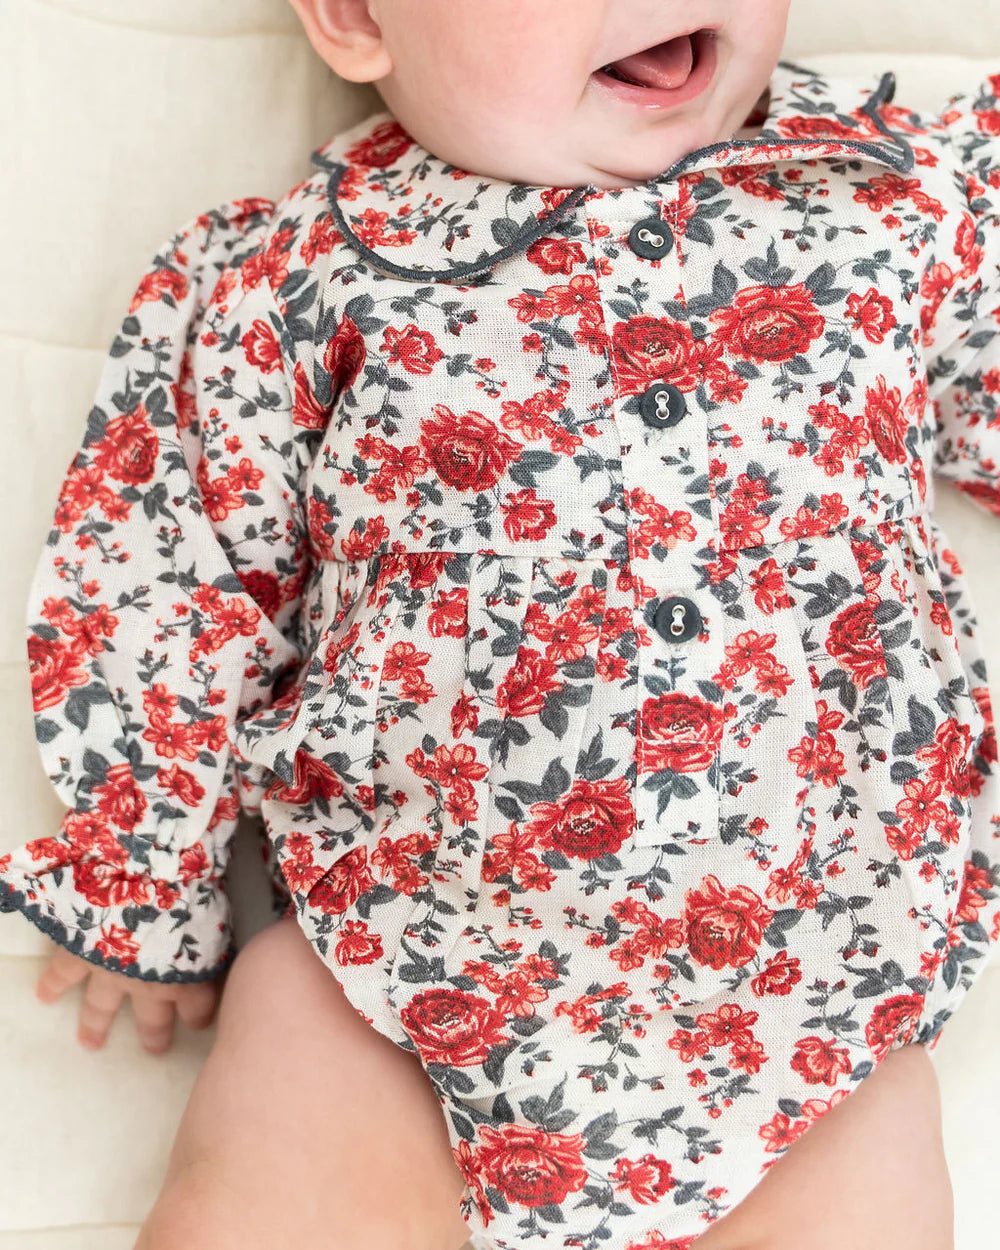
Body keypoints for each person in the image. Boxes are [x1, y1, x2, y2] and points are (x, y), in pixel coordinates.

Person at [3, 0, 998, 1245]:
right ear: (356, 19)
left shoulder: (885, 199)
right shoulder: (311, 269)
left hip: (818, 977)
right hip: (393, 941)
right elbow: (176, 564)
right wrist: (145, 856)